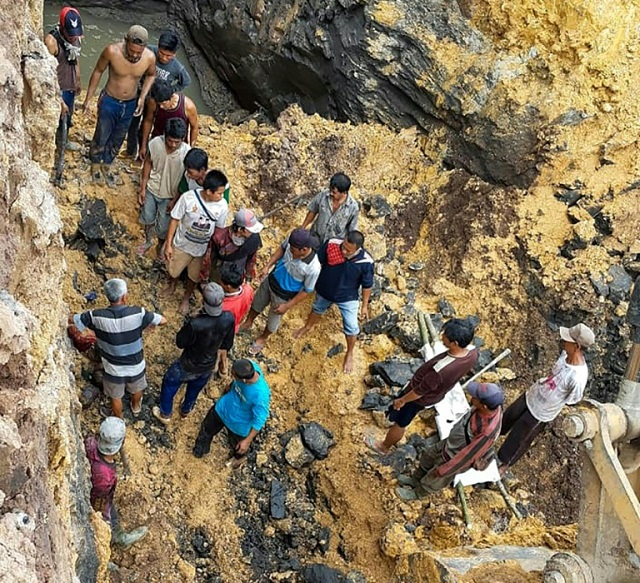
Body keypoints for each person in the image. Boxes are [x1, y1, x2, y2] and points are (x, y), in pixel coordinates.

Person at [365, 318, 478, 454]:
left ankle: (383, 447)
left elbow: (419, 392)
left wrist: (402, 400)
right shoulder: (472, 354)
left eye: (445, 336)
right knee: (402, 418)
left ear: (455, 343)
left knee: (402, 422)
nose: (442, 336)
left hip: (417, 399)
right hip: (437, 393)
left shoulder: (441, 370)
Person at [497, 323, 594, 475]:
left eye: (567, 341)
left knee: (520, 438)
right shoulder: (565, 355)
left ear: (577, 346)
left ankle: (503, 464)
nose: (563, 342)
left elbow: (572, 399)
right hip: (533, 394)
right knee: (509, 417)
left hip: (542, 413)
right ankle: (490, 437)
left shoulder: (578, 377)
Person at [71, 278, 167, 418]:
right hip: (136, 365)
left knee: (116, 397)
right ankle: (136, 407)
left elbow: (74, 321)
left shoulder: (96, 316)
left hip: (113, 368)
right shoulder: (138, 313)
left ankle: (119, 419)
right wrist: (148, 325)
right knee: (137, 388)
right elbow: (163, 320)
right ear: (124, 297)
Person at [396, 382, 504, 499]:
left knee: (435, 478)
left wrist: (446, 469)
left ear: (484, 406)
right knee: (429, 456)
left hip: (455, 456)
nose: (472, 398)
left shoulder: (487, 431)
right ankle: (415, 479)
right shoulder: (490, 408)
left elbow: (468, 456)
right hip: (450, 443)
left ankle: (417, 493)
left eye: (475, 398)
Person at [82, 25, 156, 187]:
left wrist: (142, 97)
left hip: (131, 103)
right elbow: (97, 71)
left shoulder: (149, 57)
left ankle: (107, 163)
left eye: (139, 52)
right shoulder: (112, 52)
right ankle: (95, 162)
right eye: (132, 51)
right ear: (126, 41)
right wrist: (88, 99)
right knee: (102, 133)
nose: (135, 55)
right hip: (110, 100)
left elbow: (151, 75)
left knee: (118, 136)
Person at [153, 283, 235, 423]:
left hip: (187, 364)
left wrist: (190, 321)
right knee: (194, 390)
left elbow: (180, 342)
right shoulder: (228, 318)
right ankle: (186, 411)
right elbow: (227, 344)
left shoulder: (195, 323)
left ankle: (165, 413)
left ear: (203, 300)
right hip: (208, 365)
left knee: (169, 382)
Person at [294, 230, 373, 373]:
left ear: (358, 249)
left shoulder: (366, 262)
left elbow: (367, 285)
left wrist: (365, 306)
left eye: (348, 250)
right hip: (325, 289)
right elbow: (317, 262)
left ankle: (349, 352)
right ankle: (307, 326)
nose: (343, 251)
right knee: (317, 308)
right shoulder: (332, 244)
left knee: (351, 326)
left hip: (347, 297)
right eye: (343, 246)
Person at [240, 228, 321, 355]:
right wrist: (268, 266)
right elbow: (281, 249)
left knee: (273, 320)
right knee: (257, 303)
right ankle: (249, 322)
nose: (291, 252)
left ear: (304, 250)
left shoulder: (313, 268)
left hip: (283, 295)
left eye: (293, 251)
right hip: (271, 280)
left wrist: (287, 306)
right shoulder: (291, 242)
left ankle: (263, 338)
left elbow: (307, 290)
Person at [163, 170, 229, 315]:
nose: (222, 196)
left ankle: (186, 297)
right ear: (208, 191)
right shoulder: (188, 198)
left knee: (193, 276)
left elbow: (219, 230)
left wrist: (210, 253)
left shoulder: (222, 205)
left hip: (201, 250)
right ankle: (172, 285)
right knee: (173, 269)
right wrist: (168, 244)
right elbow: (175, 219)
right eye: (219, 193)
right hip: (182, 244)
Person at [193, 359, 271, 469]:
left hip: (239, 426)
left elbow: (259, 420)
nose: (231, 375)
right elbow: (235, 382)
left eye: (234, 375)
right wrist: (230, 387)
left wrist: (247, 441)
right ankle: (200, 450)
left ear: (244, 380)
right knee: (206, 430)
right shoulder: (250, 367)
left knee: (238, 447)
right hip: (221, 409)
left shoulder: (261, 395)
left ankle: (237, 459)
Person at [126, 30, 191, 157]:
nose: (164, 58)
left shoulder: (177, 68)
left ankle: (145, 152)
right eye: (161, 53)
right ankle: (131, 151)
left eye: (169, 56)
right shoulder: (149, 51)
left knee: (148, 123)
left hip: (157, 101)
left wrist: (169, 91)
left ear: (175, 54)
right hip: (140, 93)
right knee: (133, 122)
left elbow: (186, 82)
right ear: (158, 47)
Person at [85, 417, 148, 547]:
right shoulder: (105, 477)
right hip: (97, 500)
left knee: (111, 512)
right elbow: (99, 504)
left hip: (94, 490)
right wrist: (102, 518)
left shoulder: (90, 442)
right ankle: (117, 541)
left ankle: (119, 536)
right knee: (106, 521)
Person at [137, 117, 190, 258]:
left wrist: (175, 200)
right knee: (148, 218)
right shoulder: (155, 144)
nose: (173, 145)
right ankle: (148, 241)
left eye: (176, 142)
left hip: (169, 196)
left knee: (163, 227)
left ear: (183, 139)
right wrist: (142, 188)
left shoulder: (186, 153)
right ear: (164, 135)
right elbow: (148, 163)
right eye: (170, 140)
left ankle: (161, 245)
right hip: (152, 189)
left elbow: (185, 180)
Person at [44, 7, 83, 149]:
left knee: (68, 114)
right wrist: (58, 99)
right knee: (56, 118)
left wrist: (78, 78)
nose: (73, 38)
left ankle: (63, 142)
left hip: (70, 84)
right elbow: (47, 74)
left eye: (76, 34)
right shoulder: (52, 42)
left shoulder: (76, 37)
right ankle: (52, 146)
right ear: (62, 27)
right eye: (70, 34)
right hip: (58, 87)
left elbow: (76, 57)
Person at [139, 78, 198, 160]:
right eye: (159, 104)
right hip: (158, 141)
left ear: (172, 97)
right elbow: (148, 121)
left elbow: (194, 127)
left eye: (163, 103)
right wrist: (143, 145)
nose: (161, 107)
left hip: (177, 144)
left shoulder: (188, 106)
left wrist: (191, 149)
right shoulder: (153, 103)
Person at [200, 208, 263, 283]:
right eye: (249, 230)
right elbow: (208, 258)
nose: (252, 233)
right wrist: (204, 279)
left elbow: (251, 258)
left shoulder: (253, 239)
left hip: (237, 275)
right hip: (219, 274)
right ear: (240, 229)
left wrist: (248, 277)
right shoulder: (219, 237)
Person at [301, 172, 359, 243]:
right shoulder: (323, 195)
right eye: (330, 190)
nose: (331, 193)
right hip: (316, 237)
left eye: (334, 192)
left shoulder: (353, 207)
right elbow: (312, 211)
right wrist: (303, 227)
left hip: (334, 244)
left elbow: (352, 229)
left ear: (344, 192)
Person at [219, 263, 255, 334]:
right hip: (236, 324)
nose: (219, 282)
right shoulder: (248, 289)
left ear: (228, 286)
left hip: (224, 330)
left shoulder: (224, 307)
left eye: (221, 282)